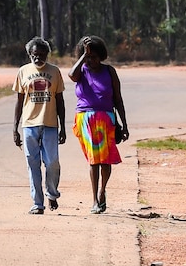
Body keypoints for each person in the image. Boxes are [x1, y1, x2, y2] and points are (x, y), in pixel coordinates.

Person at [67, 35, 129, 214]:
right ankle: (94, 200)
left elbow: (118, 99)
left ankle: (103, 191)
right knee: (94, 160)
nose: (91, 60)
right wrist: (83, 57)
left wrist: (124, 124)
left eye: (94, 56)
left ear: (101, 55)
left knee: (106, 160)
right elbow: (71, 75)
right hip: (86, 119)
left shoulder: (109, 72)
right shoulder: (81, 71)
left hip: (107, 120)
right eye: (88, 57)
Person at [13, 36, 66, 215]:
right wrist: (15, 128)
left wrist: (63, 127)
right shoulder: (23, 72)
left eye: (42, 55)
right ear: (29, 54)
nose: (38, 58)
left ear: (47, 55)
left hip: (50, 124)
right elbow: (19, 101)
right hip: (29, 125)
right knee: (32, 163)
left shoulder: (55, 72)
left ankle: (52, 193)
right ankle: (37, 203)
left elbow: (60, 100)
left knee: (52, 162)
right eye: (35, 55)